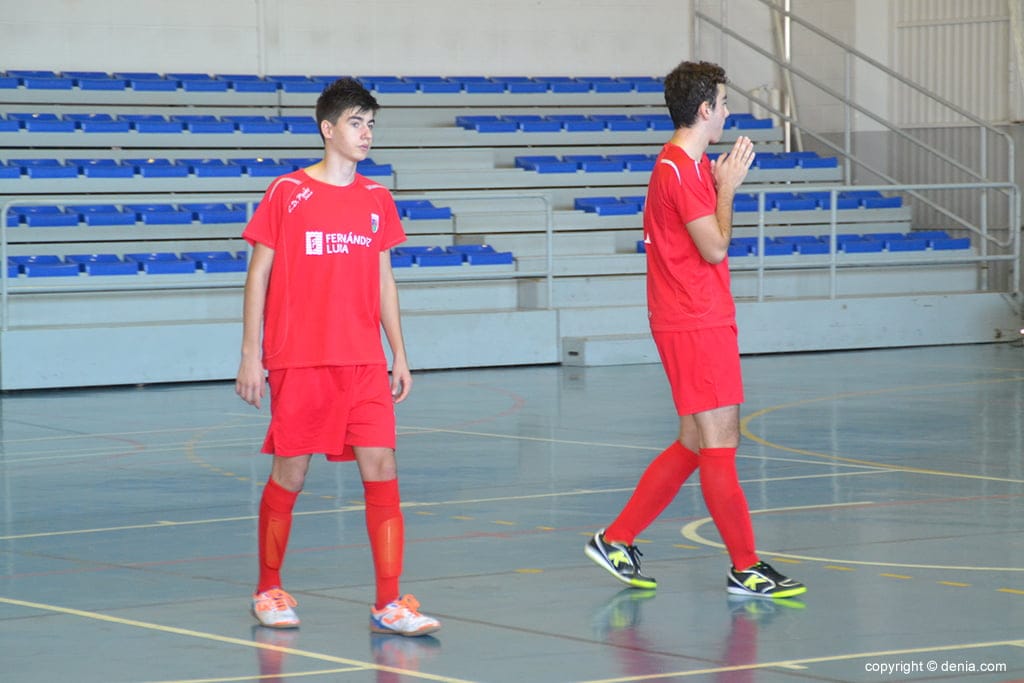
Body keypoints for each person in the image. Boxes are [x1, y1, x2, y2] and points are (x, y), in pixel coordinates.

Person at [584, 61, 806, 600]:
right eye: (724, 102)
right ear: (705, 110)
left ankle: (616, 538)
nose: (728, 110)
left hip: (693, 317)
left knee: (693, 440)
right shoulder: (682, 171)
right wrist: (728, 188)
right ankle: (746, 567)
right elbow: (715, 247)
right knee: (721, 442)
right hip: (694, 321)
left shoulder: (685, 164)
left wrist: (718, 180)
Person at [235, 77, 440, 636]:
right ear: (328, 129)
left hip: (364, 362)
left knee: (383, 467)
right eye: (355, 122)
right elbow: (258, 274)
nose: (366, 132)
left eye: (371, 123)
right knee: (291, 472)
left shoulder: (377, 199)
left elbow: (384, 279)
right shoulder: (287, 192)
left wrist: (399, 352)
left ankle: (388, 601)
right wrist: (250, 354)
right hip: (299, 358)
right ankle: (268, 588)